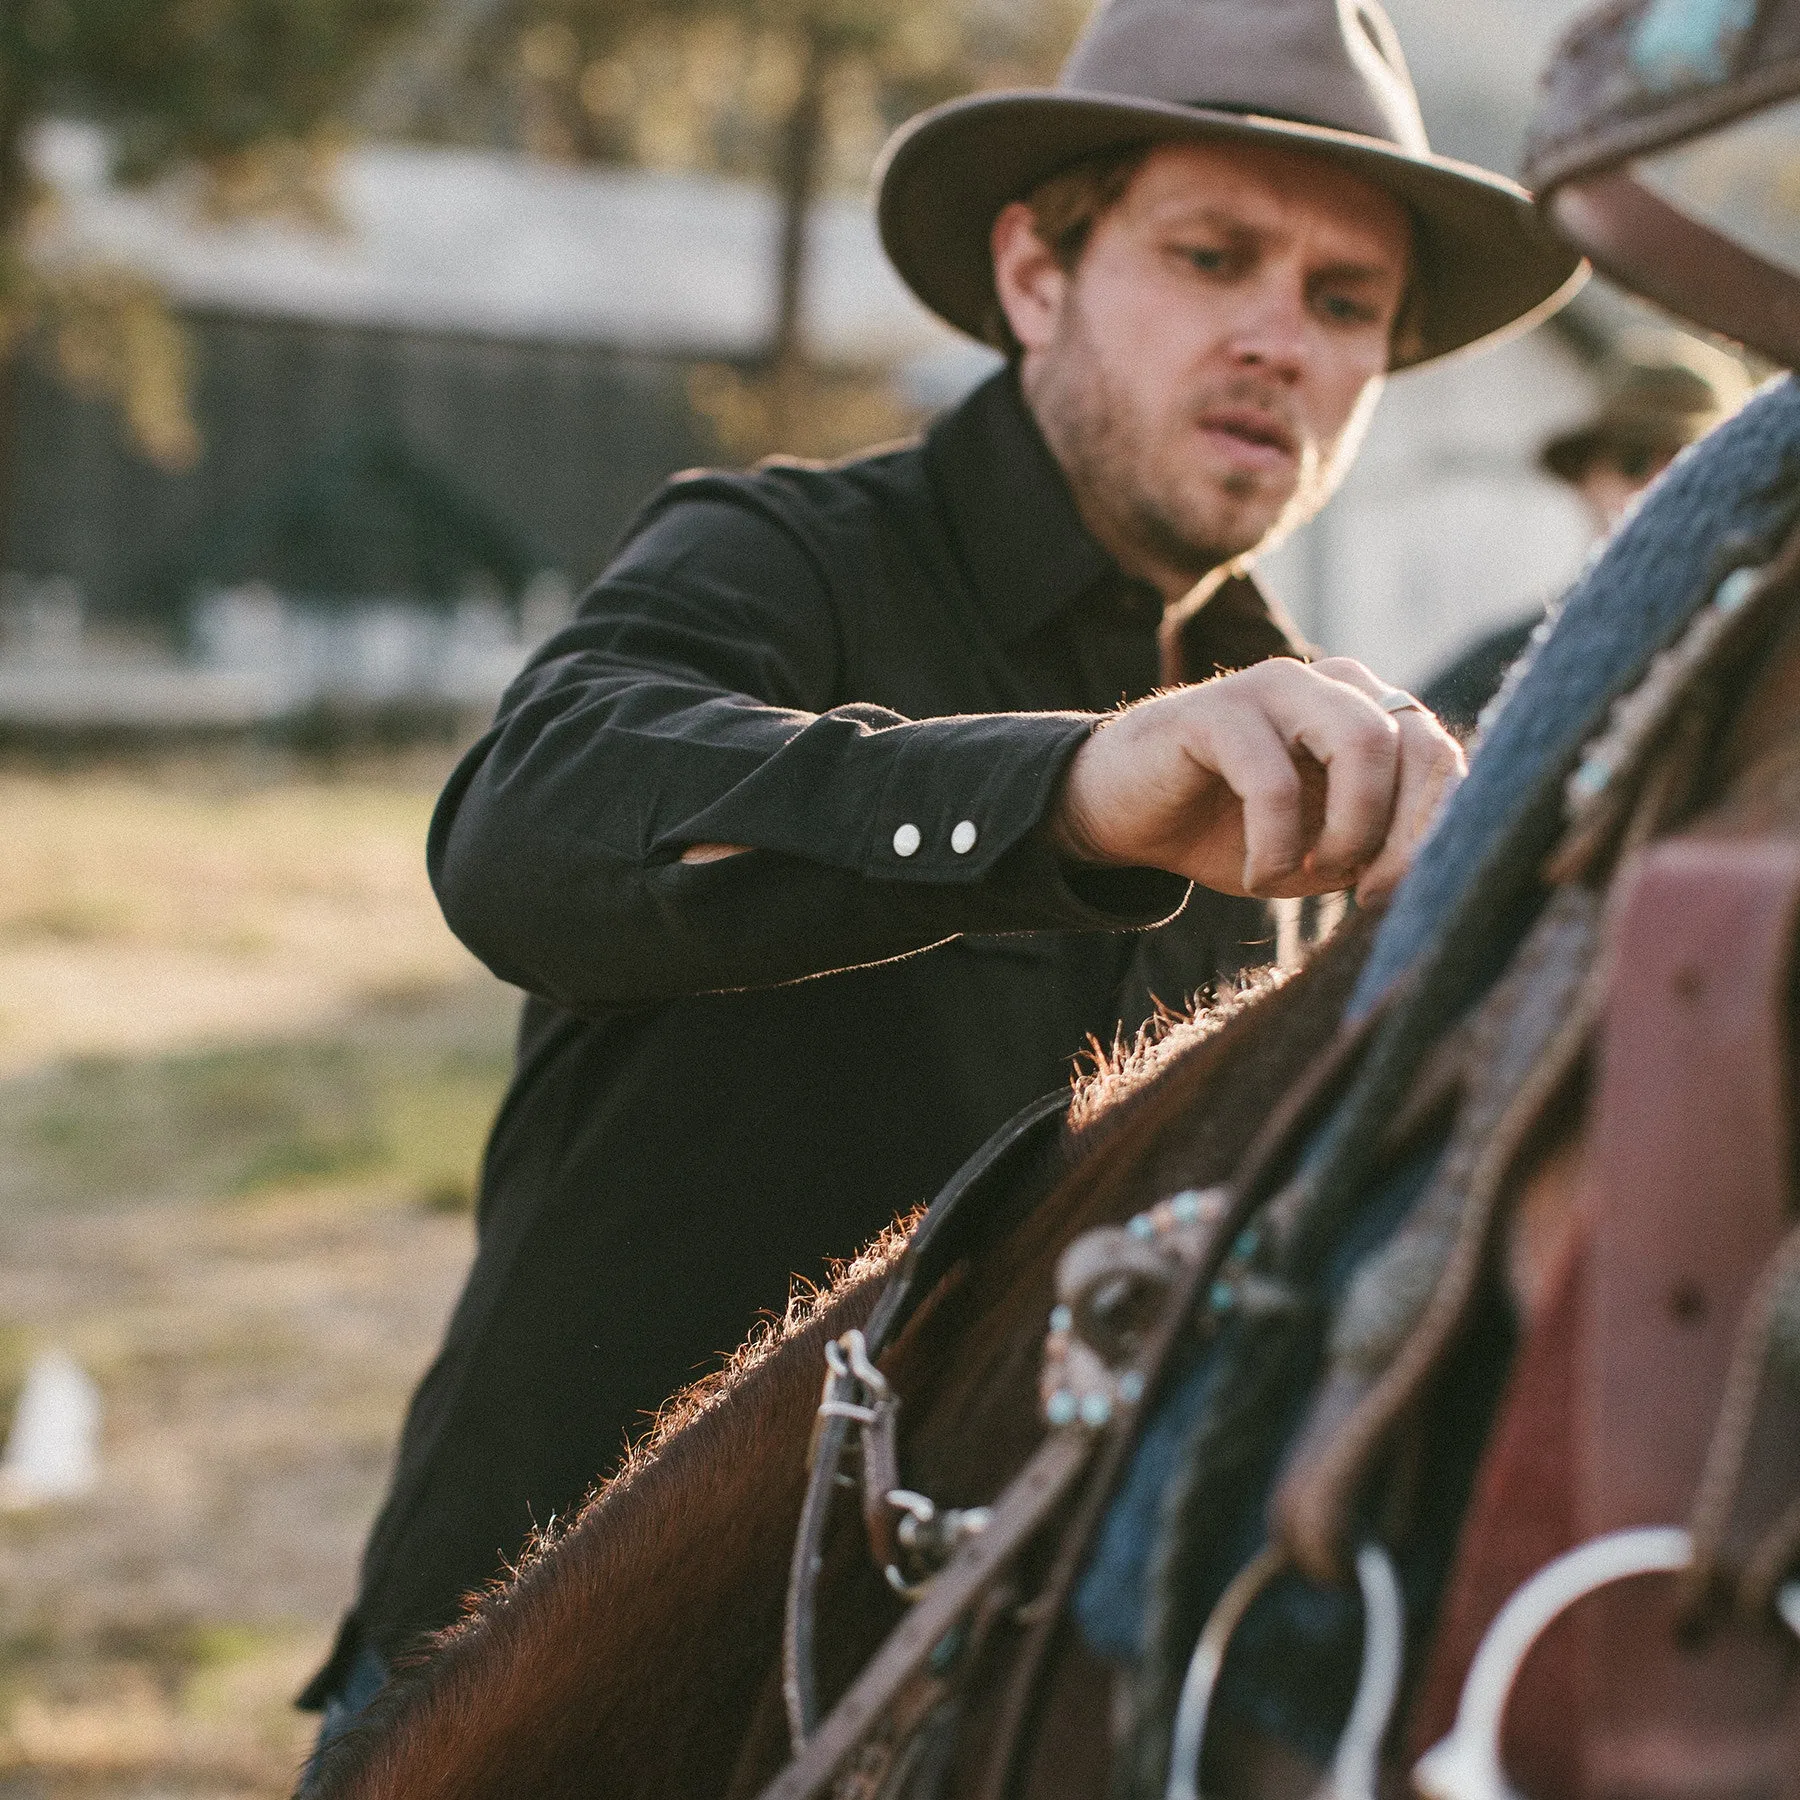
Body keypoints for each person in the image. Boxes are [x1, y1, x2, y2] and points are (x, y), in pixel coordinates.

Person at [300, 0, 1580, 1738]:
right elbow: (523, 825)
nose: (1282, 341)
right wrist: (1065, 793)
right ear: (1036, 274)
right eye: (1213, 258)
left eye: (1345, 301)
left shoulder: (1310, 740)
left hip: (956, 1706)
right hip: (557, 1692)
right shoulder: (784, 553)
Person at [1419, 337, 1749, 735]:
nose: (1660, 486)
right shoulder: (1507, 670)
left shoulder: (1772, 647)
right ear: (1585, 481)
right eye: (1634, 461)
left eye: (1690, 465)